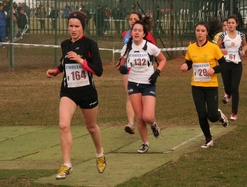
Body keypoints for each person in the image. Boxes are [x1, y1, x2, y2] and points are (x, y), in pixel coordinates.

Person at [46, 11, 106, 179]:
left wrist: (81, 61)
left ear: (83, 28)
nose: (73, 29)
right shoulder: (65, 44)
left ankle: (99, 154)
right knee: (64, 125)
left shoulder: (90, 45)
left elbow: (99, 70)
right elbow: (65, 64)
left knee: (91, 127)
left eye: (76, 26)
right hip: (69, 92)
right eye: (70, 26)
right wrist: (56, 71)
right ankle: (67, 164)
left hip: (87, 92)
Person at [117, 20, 166, 153]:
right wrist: (122, 68)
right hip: (133, 83)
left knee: (148, 117)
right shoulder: (127, 47)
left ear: (144, 34)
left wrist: (157, 72)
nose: (136, 32)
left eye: (139, 30)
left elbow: (163, 59)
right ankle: (145, 143)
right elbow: (122, 63)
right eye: (134, 30)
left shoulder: (150, 47)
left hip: (148, 84)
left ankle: (154, 124)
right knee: (139, 117)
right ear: (131, 33)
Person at [180, 21, 229, 149]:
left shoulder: (213, 48)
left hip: (211, 85)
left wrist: (214, 70)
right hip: (196, 85)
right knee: (201, 114)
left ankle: (218, 115)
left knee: (212, 116)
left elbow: (224, 65)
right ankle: (208, 138)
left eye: (202, 31)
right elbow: (189, 62)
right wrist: (186, 66)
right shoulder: (191, 48)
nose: (200, 33)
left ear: (207, 32)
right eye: (198, 30)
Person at [119, 12, 157, 135]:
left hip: (145, 74)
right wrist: (121, 65)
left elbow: (153, 54)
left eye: (135, 19)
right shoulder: (125, 34)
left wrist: (154, 71)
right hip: (129, 70)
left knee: (146, 110)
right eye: (130, 19)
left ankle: (150, 119)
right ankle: (130, 123)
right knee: (129, 95)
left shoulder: (148, 37)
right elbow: (124, 54)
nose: (132, 21)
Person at [217, 15, 247, 120]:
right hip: (225, 64)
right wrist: (221, 50)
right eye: (229, 23)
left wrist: (243, 51)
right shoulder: (222, 36)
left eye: (232, 23)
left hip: (237, 64)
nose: (230, 25)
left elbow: (245, 45)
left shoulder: (241, 35)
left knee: (235, 88)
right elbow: (217, 48)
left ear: (236, 24)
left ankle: (234, 113)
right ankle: (228, 93)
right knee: (227, 86)